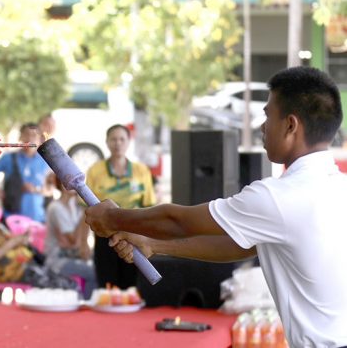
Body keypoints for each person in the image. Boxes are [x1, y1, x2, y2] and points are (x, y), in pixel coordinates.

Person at [85, 67, 347, 348]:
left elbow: (179, 221)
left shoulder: (279, 197)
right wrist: (155, 245)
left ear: (291, 125)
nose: (262, 126)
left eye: (268, 116)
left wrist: (112, 217)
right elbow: (243, 246)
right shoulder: (338, 186)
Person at [85, 124, 156, 289]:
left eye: (122, 139)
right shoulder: (95, 171)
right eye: (113, 139)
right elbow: (86, 209)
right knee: (106, 285)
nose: (118, 143)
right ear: (107, 142)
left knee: (131, 286)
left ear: (129, 142)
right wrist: (82, 242)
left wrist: (151, 240)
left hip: (135, 235)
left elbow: (149, 208)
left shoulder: (141, 171)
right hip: (104, 236)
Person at [0, 216, 78, 292]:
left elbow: (6, 239)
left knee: (68, 281)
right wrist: (12, 243)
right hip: (14, 271)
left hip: (28, 263)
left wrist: (20, 239)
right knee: (66, 285)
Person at [44, 174, 97, 300]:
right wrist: (85, 213)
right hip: (57, 260)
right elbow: (73, 240)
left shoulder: (74, 206)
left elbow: (79, 239)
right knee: (93, 273)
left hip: (73, 255)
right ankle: (86, 304)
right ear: (63, 185)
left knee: (102, 265)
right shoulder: (55, 208)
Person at [0, 122, 51, 223]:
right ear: (20, 137)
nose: (30, 139)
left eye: (34, 135)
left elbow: (51, 190)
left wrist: (36, 190)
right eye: (26, 134)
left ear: (40, 139)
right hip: (11, 218)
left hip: (37, 219)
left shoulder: (46, 162)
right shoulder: (9, 158)